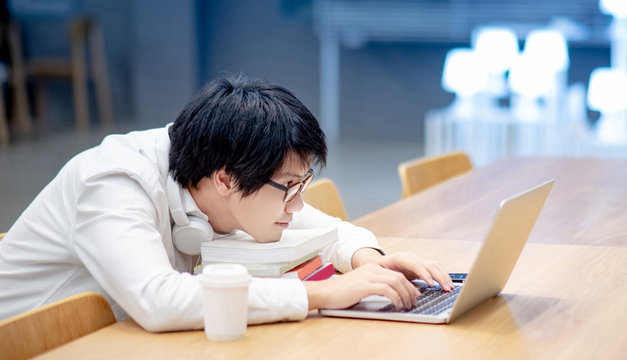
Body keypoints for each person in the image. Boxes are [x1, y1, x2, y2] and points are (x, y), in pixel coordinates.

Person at [0, 75, 453, 332]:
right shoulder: (112, 181)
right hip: (37, 344)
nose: (295, 204)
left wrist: (372, 262)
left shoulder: (219, 162)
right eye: (289, 186)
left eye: (303, 184)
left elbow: (318, 226)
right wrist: (320, 293)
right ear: (225, 179)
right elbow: (158, 301)